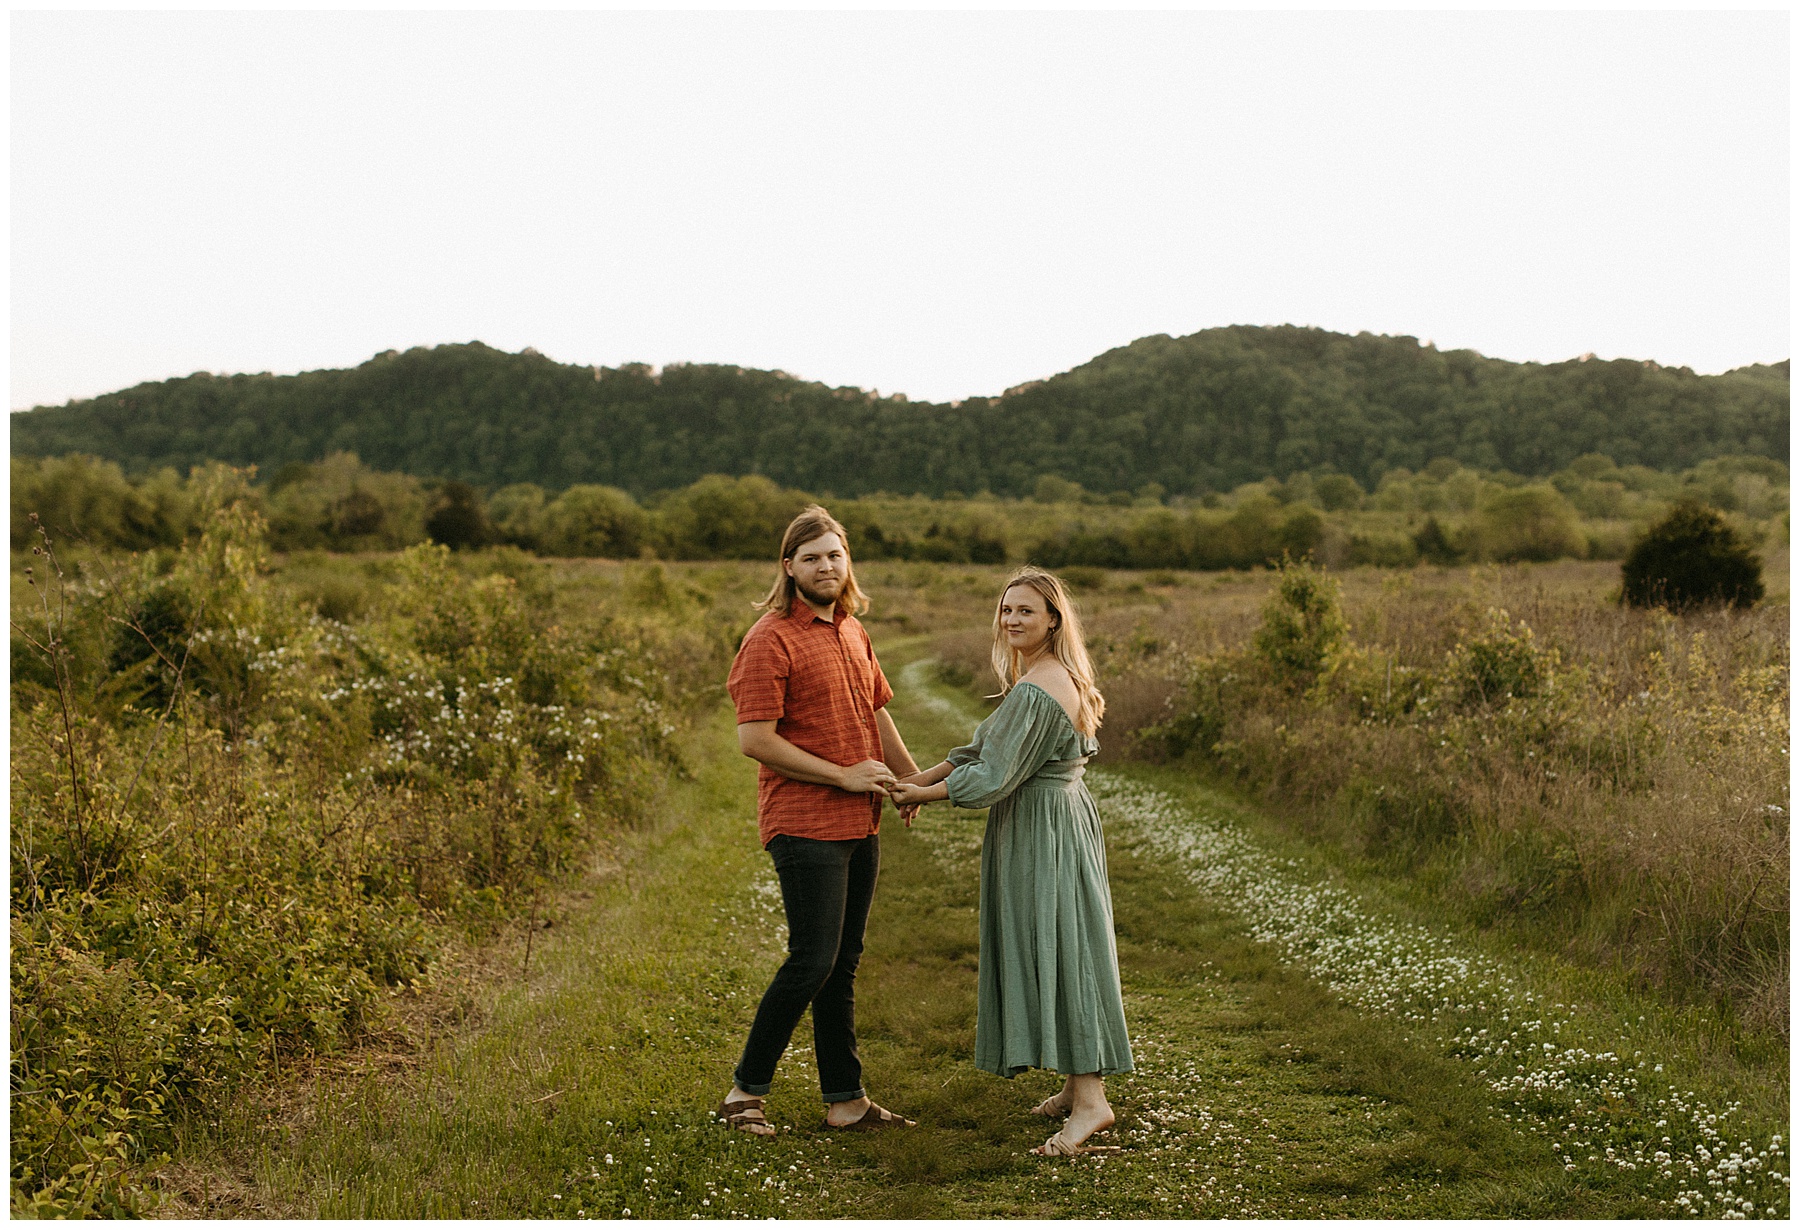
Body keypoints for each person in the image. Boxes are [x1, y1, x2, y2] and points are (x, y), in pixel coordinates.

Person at [890, 567, 1132, 1157]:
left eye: (1026, 610)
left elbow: (993, 775)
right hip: (1056, 820)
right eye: (1006, 610)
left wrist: (923, 795)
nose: (1012, 620)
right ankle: (1078, 1086)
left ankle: (1093, 1101)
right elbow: (980, 749)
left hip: (1042, 828)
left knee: (1061, 946)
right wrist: (915, 779)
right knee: (1054, 940)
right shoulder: (1048, 675)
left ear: (1053, 619)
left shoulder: (1039, 686)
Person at [716, 505, 921, 1135]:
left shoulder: (853, 631)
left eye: (834, 555)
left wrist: (906, 779)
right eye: (811, 558)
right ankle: (743, 1096)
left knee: (843, 961)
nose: (825, 566)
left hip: (860, 822)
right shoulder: (769, 639)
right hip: (804, 821)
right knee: (811, 960)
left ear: (846, 561)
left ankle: (846, 1100)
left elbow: (876, 710)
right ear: (789, 567)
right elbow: (756, 739)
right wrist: (843, 774)